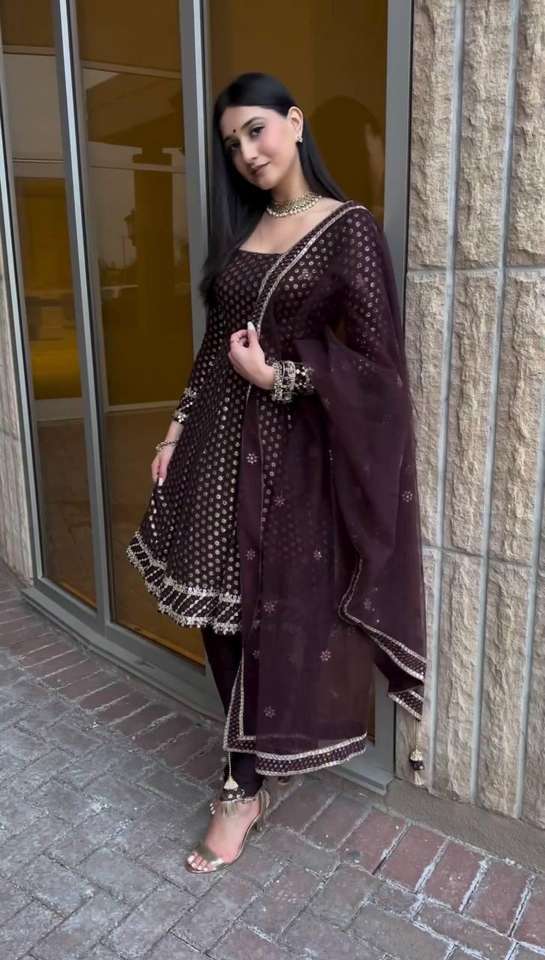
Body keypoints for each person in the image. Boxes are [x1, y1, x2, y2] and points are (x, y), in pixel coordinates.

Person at [126, 72, 427, 874]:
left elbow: (378, 371)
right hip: (213, 449)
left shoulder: (347, 229)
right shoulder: (245, 230)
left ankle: (242, 786)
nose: (247, 153)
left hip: (288, 459)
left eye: (256, 130)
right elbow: (212, 347)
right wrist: (174, 431)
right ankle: (248, 776)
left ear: (294, 123)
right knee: (214, 612)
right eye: (232, 144)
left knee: (269, 615)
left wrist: (280, 377)